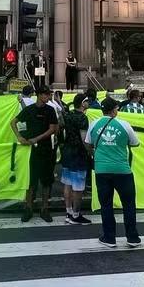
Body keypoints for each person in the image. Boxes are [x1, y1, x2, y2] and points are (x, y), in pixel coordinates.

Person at [86, 96, 141, 248]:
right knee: (129, 204)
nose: (117, 110)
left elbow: (88, 144)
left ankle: (109, 238)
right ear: (113, 110)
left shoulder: (94, 124)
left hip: (102, 170)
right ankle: (133, 237)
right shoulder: (124, 124)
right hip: (122, 170)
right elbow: (135, 143)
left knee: (106, 205)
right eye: (116, 108)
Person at [11, 84, 59, 223]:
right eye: (45, 94)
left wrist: (36, 139)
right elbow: (13, 122)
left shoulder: (50, 110)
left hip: (45, 149)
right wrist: (19, 137)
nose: (48, 96)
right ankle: (28, 208)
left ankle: (45, 209)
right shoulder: (30, 110)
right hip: (30, 150)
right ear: (39, 95)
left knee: (46, 181)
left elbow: (53, 128)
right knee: (30, 181)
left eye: (48, 94)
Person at [61, 93, 92, 225]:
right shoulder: (82, 118)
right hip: (78, 154)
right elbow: (84, 139)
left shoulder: (68, 115)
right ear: (81, 103)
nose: (88, 103)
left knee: (67, 183)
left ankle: (68, 212)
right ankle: (76, 214)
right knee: (78, 187)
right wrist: (90, 151)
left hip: (67, 151)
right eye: (86, 101)